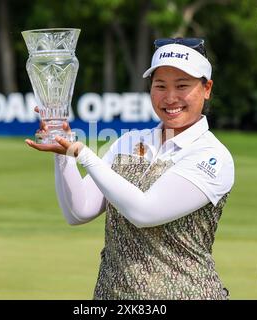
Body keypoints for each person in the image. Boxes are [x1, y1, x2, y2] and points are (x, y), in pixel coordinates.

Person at [25, 37, 235, 300]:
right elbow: (79, 211)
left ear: (207, 89)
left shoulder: (212, 156)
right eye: (160, 86)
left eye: (182, 86)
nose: (170, 97)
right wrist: (64, 151)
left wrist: (84, 153)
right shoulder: (129, 142)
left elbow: (145, 212)